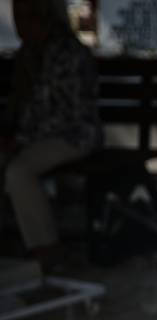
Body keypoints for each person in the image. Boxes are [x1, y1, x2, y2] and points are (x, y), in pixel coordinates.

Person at [1, 0, 101, 267]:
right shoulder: (29, 54)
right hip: (36, 136)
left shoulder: (66, 53)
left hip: (73, 135)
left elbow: (60, 114)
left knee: (18, 170)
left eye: (25, 16)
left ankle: (46, 248)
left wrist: (17, 141)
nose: (20, 24)